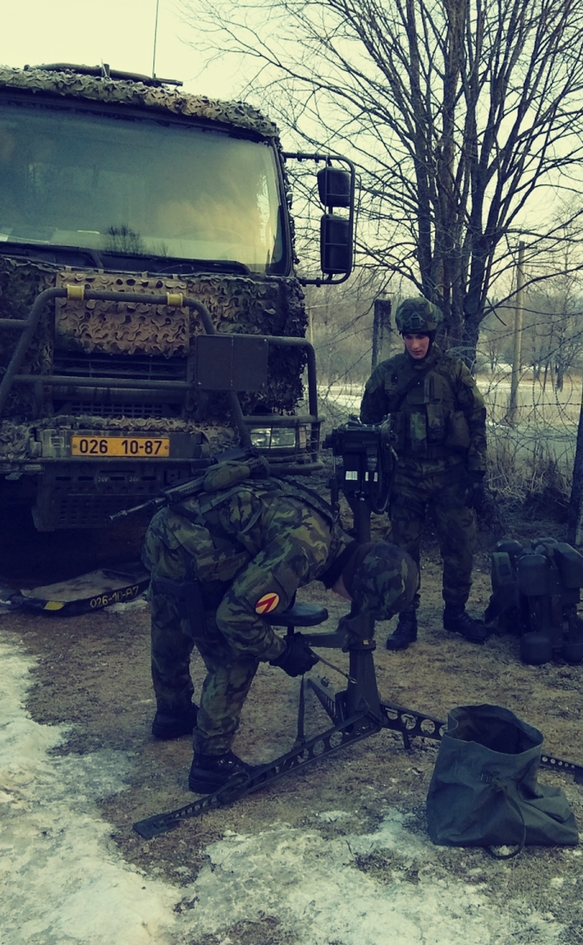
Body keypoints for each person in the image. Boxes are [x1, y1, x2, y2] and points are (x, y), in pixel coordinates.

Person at [142, 461, 418, 793]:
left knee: (173, 608)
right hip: (188, 547)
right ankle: (211, 763)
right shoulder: (308, 549)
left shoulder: (325, 528)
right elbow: (235, 616)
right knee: (239, 649)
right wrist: (282, 653)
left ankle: (173, 712)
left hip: (167, 529)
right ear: (359, 586)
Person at [359, 296, 488, 651]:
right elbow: (368, 418)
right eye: (408, 337)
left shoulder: (453, 372)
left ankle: (456, 613)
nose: (415, 344)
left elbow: (477, 421)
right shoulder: (390, 372)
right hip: (407, 474)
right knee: (403, 550)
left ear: (432, 335)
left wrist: (477, 472)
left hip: (450, 473)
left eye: (421, 337)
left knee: (460, 546)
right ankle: (407, 619)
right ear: (402, 336)